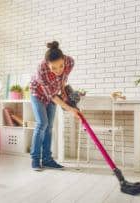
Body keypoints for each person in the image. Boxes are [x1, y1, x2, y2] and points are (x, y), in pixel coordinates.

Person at [29, 41, 80, 171]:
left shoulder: (70, 62)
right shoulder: (41, 68)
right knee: (42, 123)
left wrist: (63, 92)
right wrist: (70, 109)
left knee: (49, 127)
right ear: (47, 65)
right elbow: (51, 95)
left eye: (61, 66)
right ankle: (35, 159)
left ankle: (47, 160)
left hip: (54, 93)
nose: (58, 70)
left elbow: (63, 79)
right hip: (38, 94)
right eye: (54, 68)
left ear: (64, 60)